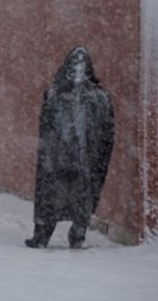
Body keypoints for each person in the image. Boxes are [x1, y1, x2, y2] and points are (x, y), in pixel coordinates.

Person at [25, 46, 115, 249]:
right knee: (50, 196)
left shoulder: (99, 97)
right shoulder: (54, 94)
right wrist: (48, 152)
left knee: (81, 197)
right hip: (58, 158)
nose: (78, 72)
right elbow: (45, 127)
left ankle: (78, 233)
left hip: (85, 158)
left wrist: (98, 156)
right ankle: (42, 234)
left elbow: (107, 132)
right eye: (74, 67)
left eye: (82, 67)